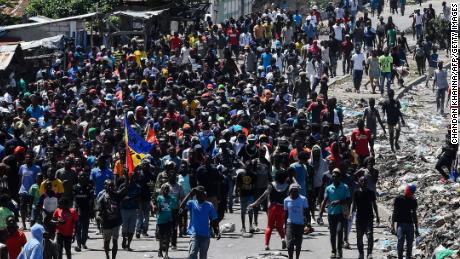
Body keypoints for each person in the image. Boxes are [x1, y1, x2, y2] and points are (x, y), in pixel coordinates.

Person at [249, 169, 289, 250]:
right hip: (282, 208)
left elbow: (264, 195)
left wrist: (255, 204)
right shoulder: (287, 185)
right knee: (280, 226)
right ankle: (283, 239)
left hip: (273, 207)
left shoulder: (272, 185)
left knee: (269, 226)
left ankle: (267, 245)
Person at [179, 186, 220, 259]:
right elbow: (181, 207)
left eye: (201, 194)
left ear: (204, 194)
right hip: (195, 234)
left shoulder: (209, 205)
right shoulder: (191, 203)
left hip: (205, 235)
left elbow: (214, 220)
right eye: (197, 194)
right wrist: (189, 194)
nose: (199, 196)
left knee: (203, 257)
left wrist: (217, 231)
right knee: (192, 255)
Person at [318, 169, 351, 259]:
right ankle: (333, 251)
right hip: (331, 213)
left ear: (339, 177)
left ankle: (339, 249)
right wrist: (320, 213)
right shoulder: (329, 188)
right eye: (333, 176)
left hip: (342, 212)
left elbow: (348, 199)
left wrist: (339, 201)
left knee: (340, 231)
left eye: (336, 176)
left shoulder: (345, 187)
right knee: (332, 233)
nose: (334, 178)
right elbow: (324, 201)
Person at [352, 177, 379, 259]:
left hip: (369, 217)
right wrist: (350, 214)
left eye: (365, 181)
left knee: (370, 235)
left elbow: (374, 204)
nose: (363, 182)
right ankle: (361, 253)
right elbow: (353, 204)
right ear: (359, 182)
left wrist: (377, 216)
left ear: (367, 183)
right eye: (362, 181)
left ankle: (369, 253)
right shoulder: (356, 192)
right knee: (359, 237)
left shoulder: (371, 192)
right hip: (359, 218)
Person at [98, 180, 125, 259]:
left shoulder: (117, 195)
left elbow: (126, 188)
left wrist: (127, 176)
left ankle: (113, 257)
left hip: (116, 222)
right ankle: (107, 256)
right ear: (105, 186)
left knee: (115, 240)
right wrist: (98, 217)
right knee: (107, 242)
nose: (110, 187)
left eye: (112, 186)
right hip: (106, 223)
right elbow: (97, 209)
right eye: (108, 186)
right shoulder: (102, 197)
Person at [391, 184, 419, 259]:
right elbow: (394, 212)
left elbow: (414, 214)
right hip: (401, 224)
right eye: (410, 192)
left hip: (410, 225)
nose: (411, 194)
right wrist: (392, 226)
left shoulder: (413, 201)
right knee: (400, 241)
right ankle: (400, 257)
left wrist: (416, 228)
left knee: (409, 244)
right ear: (407, 191)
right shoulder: (398, 199)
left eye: (412, 193)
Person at [284, 184, 308, 259]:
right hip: (290, 224)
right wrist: (284, 225)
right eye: (292, 191)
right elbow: (286, 214)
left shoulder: (303, 199)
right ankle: (290, 257)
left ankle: (297, 257)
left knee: (298, 244)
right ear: (289, 191)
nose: (294, 193)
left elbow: (307, 212)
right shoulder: (286, 200)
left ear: (298, 191)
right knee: (290, 244)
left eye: (296, 191)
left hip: (300, 224)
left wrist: (308, 224)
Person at [156, 184, 177, 259]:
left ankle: (166, 253)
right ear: (162, 190)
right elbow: (157, 209)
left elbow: (174, 209)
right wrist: (158, 209)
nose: (166, 190)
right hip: (160, 220)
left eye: (167, 189)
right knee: (161, 237)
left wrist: (175, 220)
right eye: (164, 189)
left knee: (168, 237)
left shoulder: (172, 198)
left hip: (169, 220)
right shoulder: (159, 198)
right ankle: (160, 250)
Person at [235, 168, 256, 233]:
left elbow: (255, 185)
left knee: (250, 210)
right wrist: (236, 193)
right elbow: (237, 184)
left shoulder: (253, 175)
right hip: (243, 195)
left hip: (250, 195)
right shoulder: (240, 174)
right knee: (243, 211)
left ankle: (250, 226)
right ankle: (243, 227)